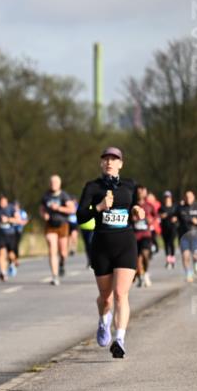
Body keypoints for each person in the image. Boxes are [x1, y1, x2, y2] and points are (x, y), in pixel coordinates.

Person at [76, 147, 142, 359]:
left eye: (114, 159)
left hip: (126, 244)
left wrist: (136, 210)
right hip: (102, 246)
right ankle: (104, 320)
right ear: (101, 163)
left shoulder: (130, 185)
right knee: (106, 298)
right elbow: (80, 216)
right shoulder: (92, 187)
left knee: (122, 294)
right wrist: (100, 207)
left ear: (121, 164)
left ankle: (120, 339)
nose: (109, 163)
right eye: (106, 159)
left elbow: (135, 206)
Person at [40, 174, 76, 286]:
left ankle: (62, 263)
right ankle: (54, 276)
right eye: (51, 182)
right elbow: (41, 208)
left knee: (63, 252)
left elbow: (72, 209)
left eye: (55, 182)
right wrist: (44, 214)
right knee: (52, 248)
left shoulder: (64, 196)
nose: (53, 184)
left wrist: (59, 208)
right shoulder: (46, 196)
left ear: (59, 184)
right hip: (50, 226)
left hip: (63, 225)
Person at [133, 185, 158, 288]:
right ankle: (140, 276)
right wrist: (133, 219)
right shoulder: (133, 205)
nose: (140, 194)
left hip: (146, 234)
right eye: (138, 192)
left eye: (141, 192)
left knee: (145, 254)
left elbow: (156, 216)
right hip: (135, 235)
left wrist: (151, 220)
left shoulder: (149, 205)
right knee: (137, 259)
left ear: (144, 193)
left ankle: (146, 273)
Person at [177, 190, 197, 283]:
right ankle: (188, 273)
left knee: (195, 255)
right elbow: (173, 215)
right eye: (187, 197)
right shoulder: (180, 208)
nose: (188, 199)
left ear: (193, 197)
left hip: (194, 234)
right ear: (184, 198)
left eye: (190, 197)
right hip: (183, 236)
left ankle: (196, 263)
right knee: (185, 256)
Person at [0, 195, 19, 282]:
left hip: (10, 234)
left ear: (7, 201)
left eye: (4, 202)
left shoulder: (11, 208)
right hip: (0, 234)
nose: (2, 204)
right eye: (0, 202)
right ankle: (3, 273)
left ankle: (12, 262)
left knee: (11, 254)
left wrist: (7, 219)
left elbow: (17, 219)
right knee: (1, 253)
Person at [159, 191, 178, 268]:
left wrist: (175, 218)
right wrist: (163, 216)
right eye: (166, 197)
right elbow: (160, 216)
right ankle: (168, 260)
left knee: (171, 242)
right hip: (164, 227)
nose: (167, 199)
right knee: (166, 243)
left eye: (168, 197)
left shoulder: (175, 207)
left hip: (173, 227)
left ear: (171, 197)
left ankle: (172, 259)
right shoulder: (162, 207)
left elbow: (178, 215)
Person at [10, 200, 29, 277]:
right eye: (14, 205)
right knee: (11, 246)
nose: (15, 207)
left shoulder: (22, 212)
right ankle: (12, 260)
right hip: (11, 231)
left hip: (18, 231)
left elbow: (24, 221)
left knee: (16, 245)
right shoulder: (11, 211)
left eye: (16, 205)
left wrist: (19, 222)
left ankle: (16, 259)